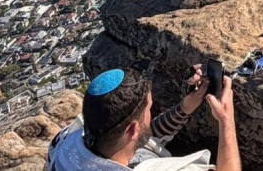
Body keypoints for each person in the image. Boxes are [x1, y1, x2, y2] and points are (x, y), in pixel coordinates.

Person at [46, 65, 241, 171]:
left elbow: (144, 138)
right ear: (131, 130)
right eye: (149, 109)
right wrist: (226, 120)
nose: (151, 113)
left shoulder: (66, 143)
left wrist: (184, 109)